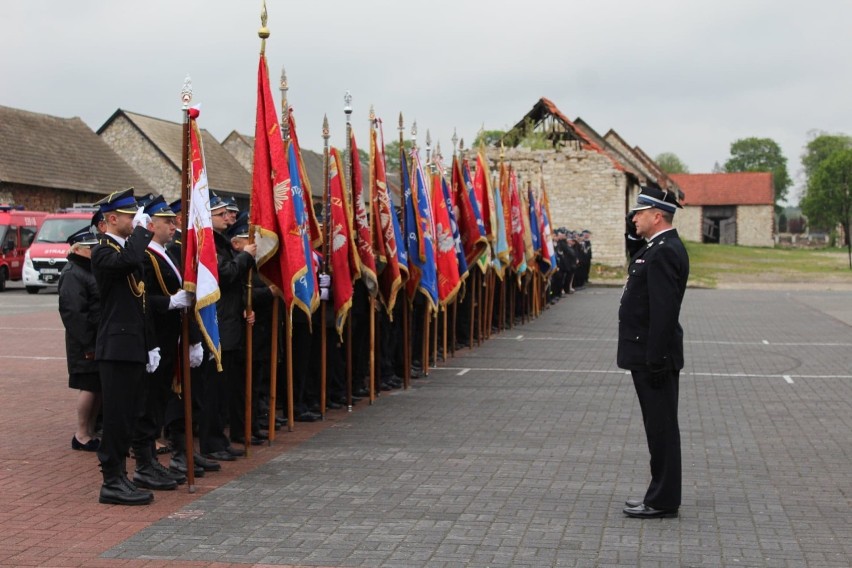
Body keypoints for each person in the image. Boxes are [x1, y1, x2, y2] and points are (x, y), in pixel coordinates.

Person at [618, 186, 689, 519]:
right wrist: (634, 225)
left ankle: (662, 500)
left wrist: (656, 359)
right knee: (658, 427)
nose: (634, 218)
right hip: (649, 354)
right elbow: (634, 247)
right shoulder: (657, 246)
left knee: (661, 429)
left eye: (640, 213)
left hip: (654, 357)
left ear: (657, 215)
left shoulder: (664, 252)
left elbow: (663, 311)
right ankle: (661, 494)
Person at [90, 188, 159, 505]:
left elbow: (140, 302)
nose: (136, 221)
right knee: (116, 417)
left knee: (130, 414)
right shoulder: (102, 251)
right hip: (116, 348)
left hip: (132, 345)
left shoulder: (126, 249)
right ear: (111, 219)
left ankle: (122, 476)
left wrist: (150, 344)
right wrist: (144, 232)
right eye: (131, 217)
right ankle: (111, 481)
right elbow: (128, 260)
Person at [58, 227, 102, 452]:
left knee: (96, 387)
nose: (94, 252)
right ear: (78, 249)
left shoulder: (86, 270)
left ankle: (90, 432)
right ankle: (81, 433)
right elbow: (74, 312)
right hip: (84, 342)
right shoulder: (73, 273)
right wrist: (87, 344)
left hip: (94, 339)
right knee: (88, 386)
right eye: (90, 248)